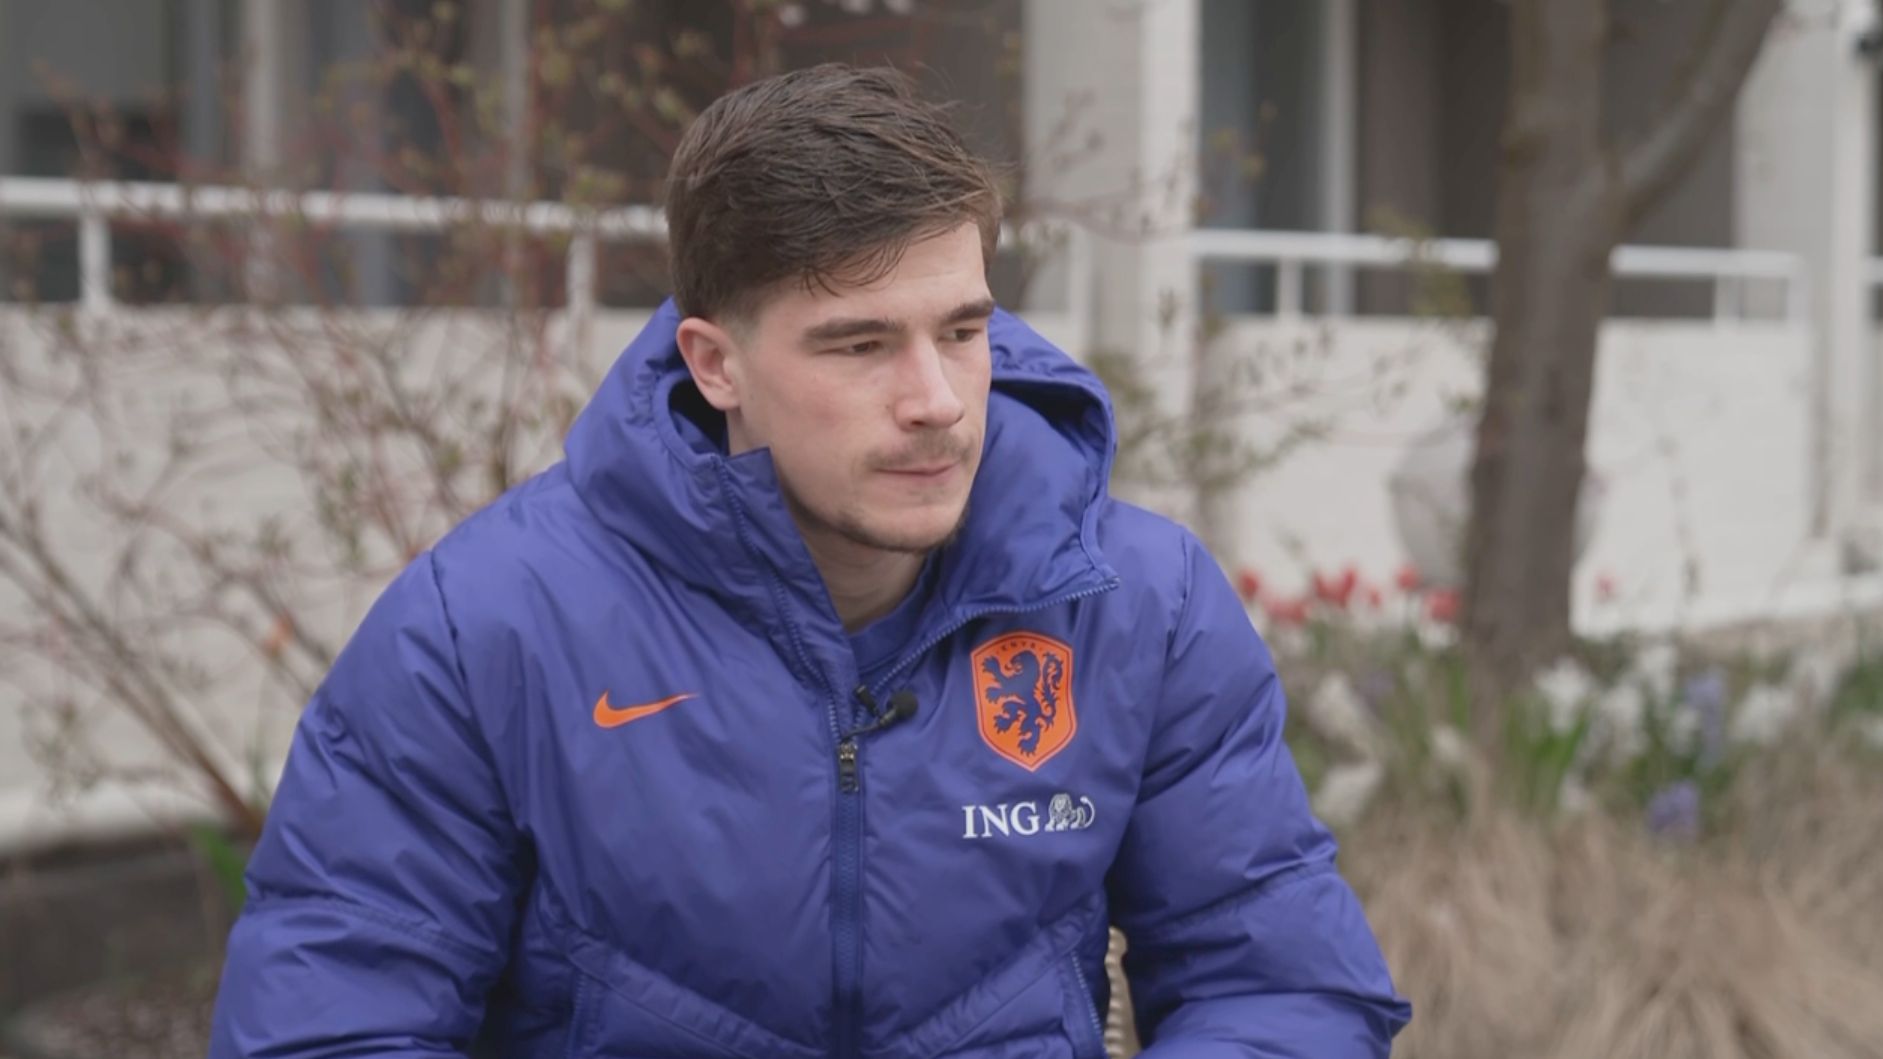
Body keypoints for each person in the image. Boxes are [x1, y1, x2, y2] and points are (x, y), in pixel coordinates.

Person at [208, 63, 1409, 1058]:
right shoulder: (482, 629)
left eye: (962, 331)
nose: (935, 400)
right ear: (714, 363)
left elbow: (1283, 990)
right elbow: (327, 1025)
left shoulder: (1137, 604)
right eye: (858, 345)